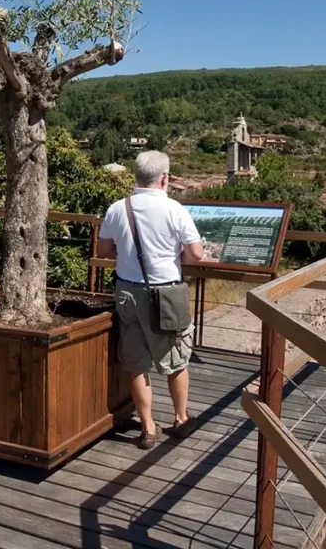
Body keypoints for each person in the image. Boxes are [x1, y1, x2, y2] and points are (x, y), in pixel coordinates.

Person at [97, 151, 205, 449]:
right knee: (177, 361)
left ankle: (147, 428)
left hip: (128, 292)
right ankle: (181, 418)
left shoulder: (118, 208)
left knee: (137, 363)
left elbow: (104, 250)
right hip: (166, 293)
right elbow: (195, 254)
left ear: (136, 176)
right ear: (165, 178)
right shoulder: (175, 210)